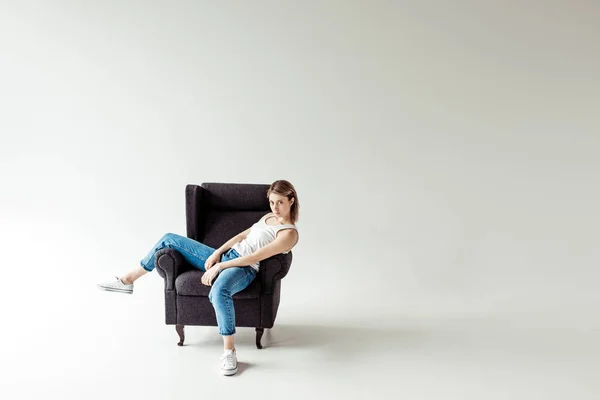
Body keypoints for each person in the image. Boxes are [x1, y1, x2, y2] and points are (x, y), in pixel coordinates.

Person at [97, 180, 299, 376]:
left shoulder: (289, 233)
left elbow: (255, 257)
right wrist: (217, 253)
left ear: (291, 200)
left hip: (244, 268)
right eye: (272, 202)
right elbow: (240, 237)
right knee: (169, 238)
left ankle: (230, 352)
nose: (275, 207)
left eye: (280, 202)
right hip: (228, 257)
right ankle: (127, 280)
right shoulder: (267, 217)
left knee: (219, 291)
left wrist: (221, 266)